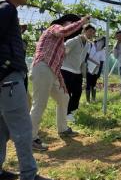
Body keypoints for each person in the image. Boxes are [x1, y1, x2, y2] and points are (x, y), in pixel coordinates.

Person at [0, 0, 50, 180]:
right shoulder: (6, 9)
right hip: (9, 79)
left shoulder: (5, 10)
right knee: (22, 129)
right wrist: (5, 67)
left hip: (6, 81)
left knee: (2, 128)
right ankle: (29, 175)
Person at [30, 14, 90, 151]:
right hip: (42, 68)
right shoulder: (54, 27)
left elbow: (57, 66)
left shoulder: (61, 45)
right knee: (39, 104)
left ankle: (63, 129)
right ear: (64, 22)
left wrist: (61, 82)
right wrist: (81, 22)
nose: (73, 27)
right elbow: (63, 31)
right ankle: (30, 138)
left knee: (64, 97)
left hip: (51, 72)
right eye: (71, 23)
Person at [61, 23, 96, 122]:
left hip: (77, 71)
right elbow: (63, 51)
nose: (91, 34)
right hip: (66, 69)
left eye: (93, 33)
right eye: (89, 31)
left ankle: (72, 110)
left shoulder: (88, 44)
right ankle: (66, 113)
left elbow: (83, 59)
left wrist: (82, 72)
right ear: (83, 31)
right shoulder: (74, 41)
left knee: (78, 92)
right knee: (67, 93)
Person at [86, 36, 106, 103]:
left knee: (94, 84)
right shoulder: (91, 46)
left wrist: (99, 72)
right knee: (88, 83)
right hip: (88, 68)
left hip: (96, 69)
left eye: (103, 42)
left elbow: (102, 62)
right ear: (98, 40)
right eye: (101, 41)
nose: (101, 43)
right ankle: (88, 101)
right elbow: (86, 56)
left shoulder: (103, 51)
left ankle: (93, 99)